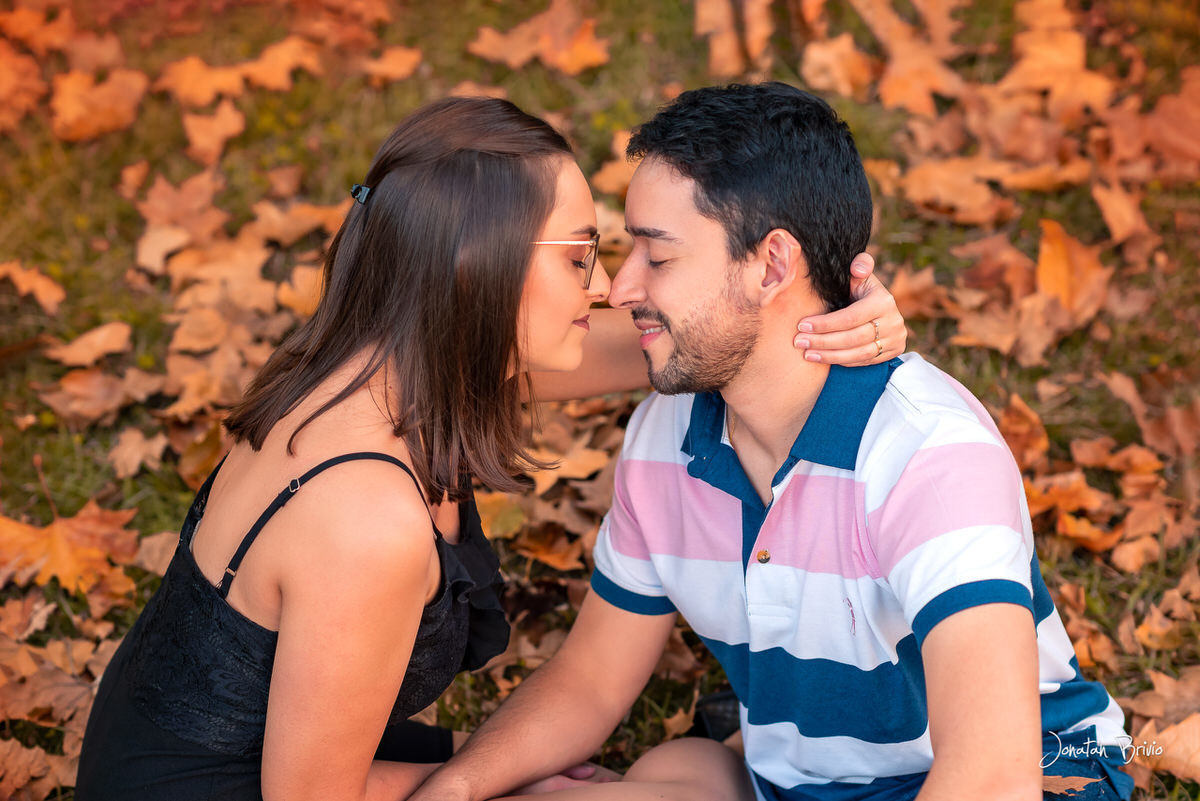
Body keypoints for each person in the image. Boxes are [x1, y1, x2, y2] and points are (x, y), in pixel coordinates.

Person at [75, 95, 904, 801]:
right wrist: (497, 786)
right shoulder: (366, 516)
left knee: (672, 780)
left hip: (235, 754)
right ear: (478, 266)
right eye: (579, 255)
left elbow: (690, 338)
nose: (605, 287)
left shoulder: (379, 370)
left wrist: (821, 314)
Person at [408, 84, 1134, 801]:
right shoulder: (665, 438)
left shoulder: (928, 455)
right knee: (672, 768)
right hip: (793, 783)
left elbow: (993, 776)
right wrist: (459, 787)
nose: (619, 289)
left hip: (1037, 775)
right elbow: (590, 679)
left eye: (658, 257)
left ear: (773, 266)